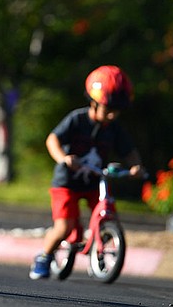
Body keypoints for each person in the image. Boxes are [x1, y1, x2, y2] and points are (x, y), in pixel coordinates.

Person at [29, 65, 143, 280]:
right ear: (94, 101)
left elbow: (130, 151)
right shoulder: (77, 119)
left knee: (109, 215)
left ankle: (97, 249)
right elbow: (52, 140)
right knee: (64, 227)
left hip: (94, 181)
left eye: (116, 110)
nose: (112, 115)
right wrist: (63, 158)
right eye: (108, 108)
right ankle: (43, 257)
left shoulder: (114, 128)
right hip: (67, 182)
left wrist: (136, 167)